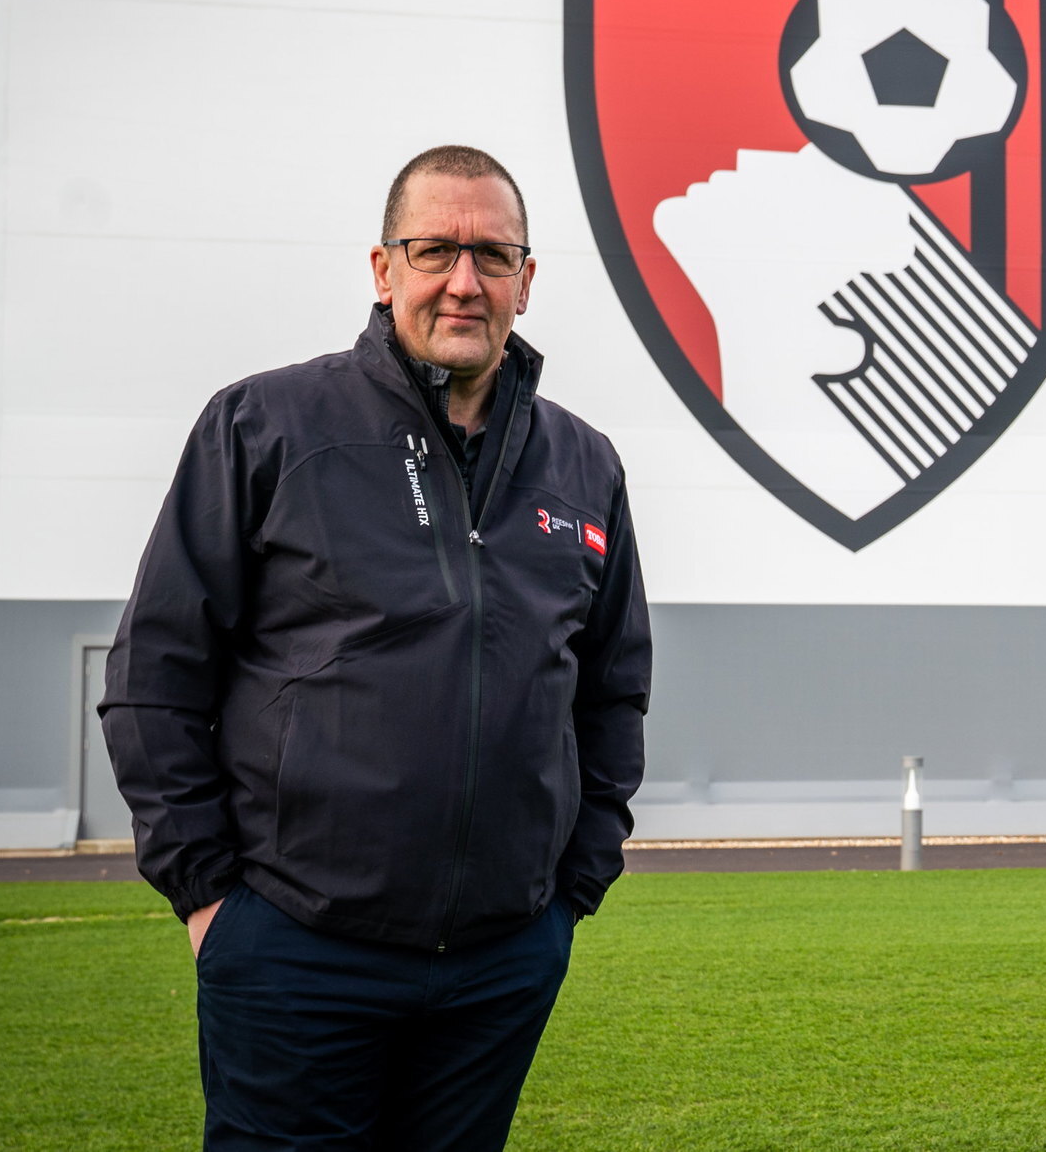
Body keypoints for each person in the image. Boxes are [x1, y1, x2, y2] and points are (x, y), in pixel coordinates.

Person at [101, 144, 650, 1150]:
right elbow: (154, 676)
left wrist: (569, 895)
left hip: (498, 963)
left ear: (527, 281)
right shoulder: (267, 426)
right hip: (294, 949)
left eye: (491, 256)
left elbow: (611, 692)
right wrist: (209, 899)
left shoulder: (583, 464)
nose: (461, 281)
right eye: (433, 248)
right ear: (381, 267)